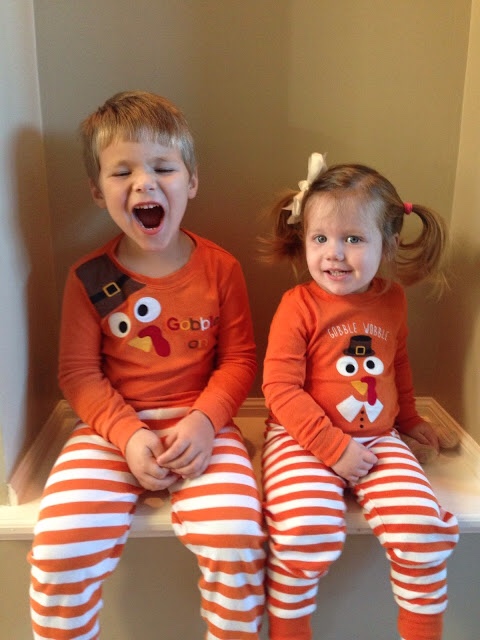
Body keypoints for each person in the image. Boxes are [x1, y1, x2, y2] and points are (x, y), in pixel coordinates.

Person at [28, 91, 266, 640]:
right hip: (110, 429)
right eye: (122, 172)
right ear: (97, 191)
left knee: (236, 537)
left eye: (163, 167)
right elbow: (78, 375)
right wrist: (128, 435)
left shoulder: (221, 269)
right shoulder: (89, 279)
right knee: (59, 544)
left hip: (202, 426)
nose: (144, 183)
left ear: (192, 181)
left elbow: (239, 360)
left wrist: (205, 421)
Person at [261, 153, 459, 640]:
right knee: (304, 526)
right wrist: (332, 448)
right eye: (320, 238)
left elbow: (397, 367)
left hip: (379, 438)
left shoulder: (392, 300)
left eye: (352, 238)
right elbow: (279, 389)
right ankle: (290, 631)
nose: (334, 253)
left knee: (422, 528)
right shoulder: (297, 306)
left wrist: (410, 421)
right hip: (301, 439)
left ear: (387, 243)